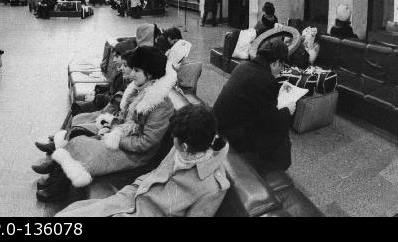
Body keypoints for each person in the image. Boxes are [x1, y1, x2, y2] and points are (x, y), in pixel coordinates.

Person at [34, 46, 176, 202]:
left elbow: (147, 142)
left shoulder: (160, 104)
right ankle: (56, 181)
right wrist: (111, 126)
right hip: (124, 139)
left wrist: (115, 138)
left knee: (86, 149)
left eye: (137, 70)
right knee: (78, 141)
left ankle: (57, 188)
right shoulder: (139, 91)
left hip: (137, 155)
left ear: (150, 74)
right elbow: (126, 121)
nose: (132, 74)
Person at [56, 104, 230, 217]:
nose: (172, 139)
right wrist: (132, 189)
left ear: (184, 145)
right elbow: (156, 174)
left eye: (174, 137)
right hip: (130, 198)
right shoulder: (184, 149)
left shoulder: (213, 188)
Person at [213, 37, 293, 173]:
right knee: (281, 129)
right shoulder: (267, 80)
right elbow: (271, 121)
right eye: (282, 66)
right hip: (234, 137)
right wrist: (287, 111)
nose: (280, 71)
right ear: (276, 63)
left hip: (219, 127)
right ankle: (272, 169)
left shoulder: (242, 66)